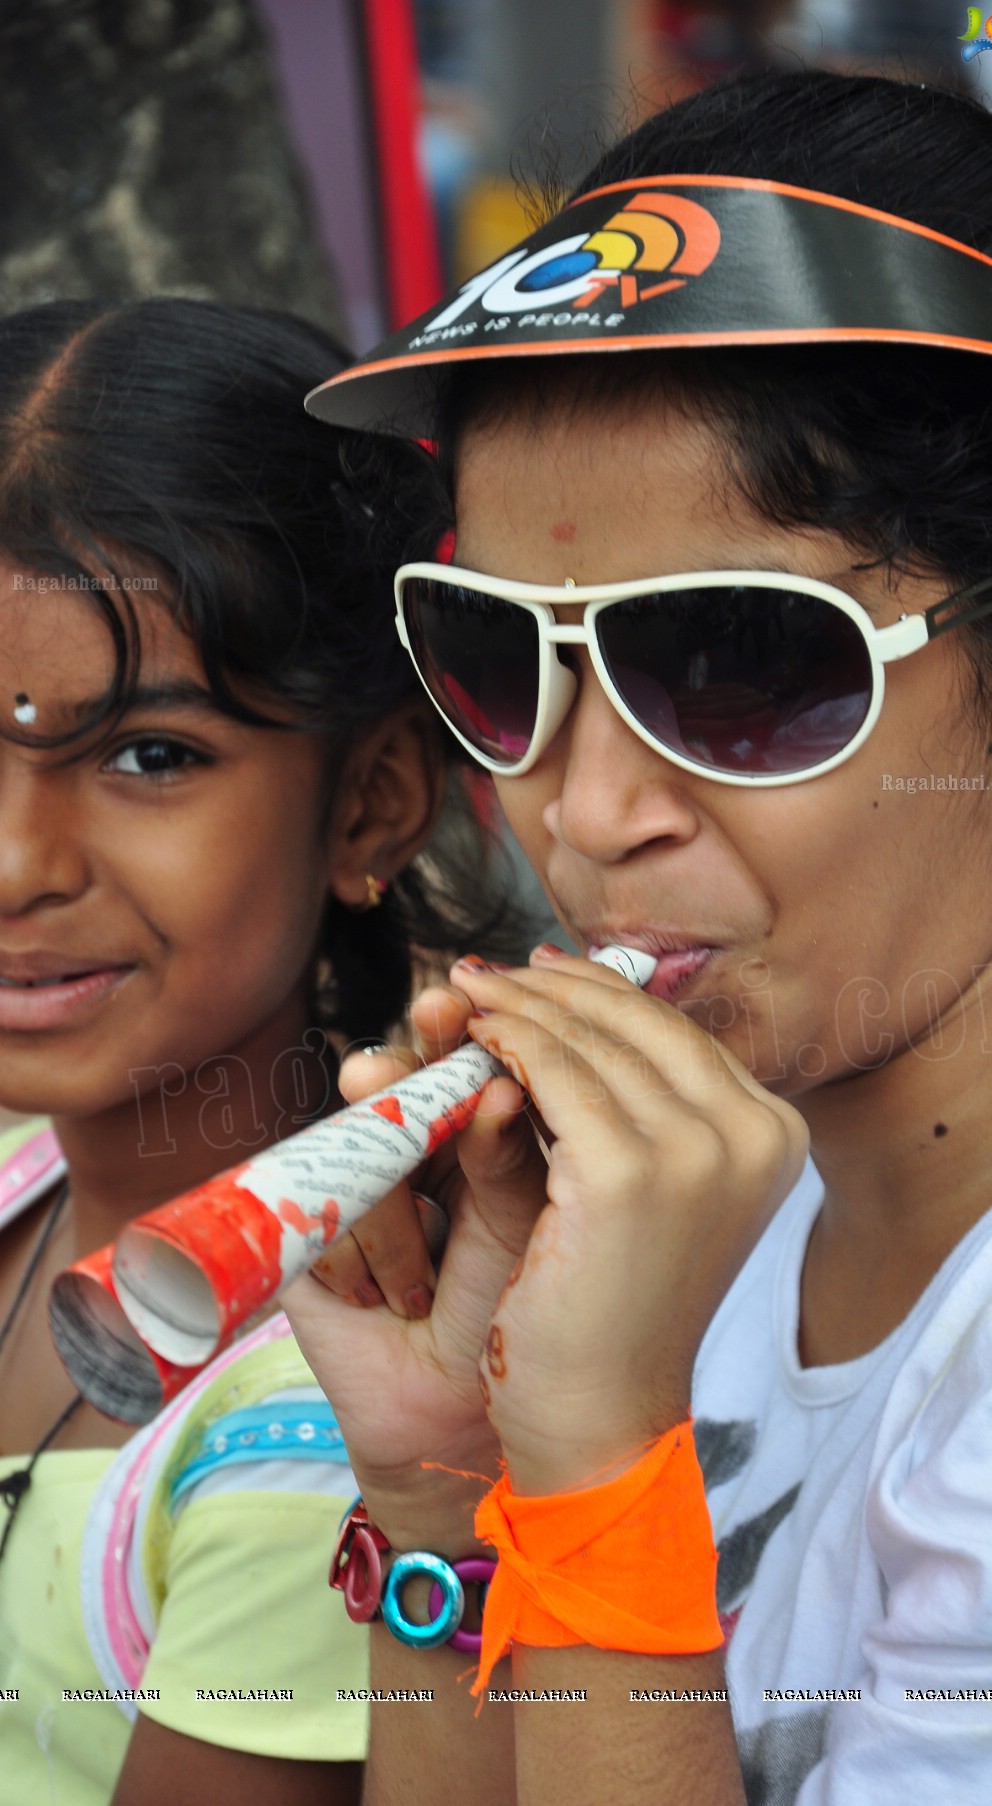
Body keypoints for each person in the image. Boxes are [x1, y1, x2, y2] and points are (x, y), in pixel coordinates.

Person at [289, 70, 992, 1806]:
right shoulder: (717, 1202)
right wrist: (441, 1478)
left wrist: (596, 1469)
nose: (586, 805)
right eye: (501, 657)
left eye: (733, 660)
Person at [0, 297, 517, 1805]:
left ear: (369, 804)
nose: (21, 861)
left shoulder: (316, 1432)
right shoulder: (24, 1174)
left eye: (149, 755)